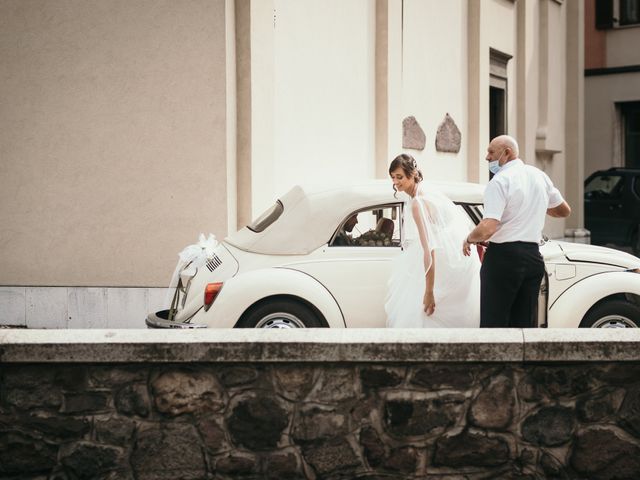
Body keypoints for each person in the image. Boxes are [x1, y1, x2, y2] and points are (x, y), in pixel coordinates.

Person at [463, 135, 571, 328]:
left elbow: (488, 227)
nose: (487, 157)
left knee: (494, 321)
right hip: (533, 257)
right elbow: (564, 210)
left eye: (491, 152)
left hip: (503, 258)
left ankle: (496, 359)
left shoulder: (499, 181)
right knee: (524, 324)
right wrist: (534, 205)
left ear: (506, 153)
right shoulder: (539, 176)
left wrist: (469, 238)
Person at [385, 154, 481, 328]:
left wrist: (429, 291)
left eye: (399, 177)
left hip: (440, 262)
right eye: (393, 177)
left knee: (422, 311)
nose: (395, 182)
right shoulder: (426, 189)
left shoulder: (418, 203)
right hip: (456, 259)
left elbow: (429, 249)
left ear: (412, 174)